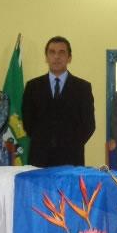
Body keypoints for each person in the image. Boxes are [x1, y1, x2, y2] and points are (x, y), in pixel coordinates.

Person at [22, 36, 95, 167]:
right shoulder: (32, 86)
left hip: (72, 157)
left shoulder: (82, 87)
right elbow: (28, 123)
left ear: (69, 58)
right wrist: (43, 141)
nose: (56, 57)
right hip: (40, 157)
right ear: (46, 57)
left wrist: (72, 143)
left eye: (62, 52)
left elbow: (89, 124)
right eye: (52, 52)